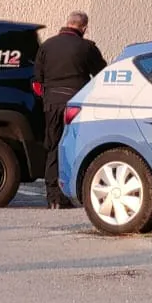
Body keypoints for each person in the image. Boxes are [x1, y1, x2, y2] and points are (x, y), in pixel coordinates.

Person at [36, 11, 107, 208]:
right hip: (76, 105)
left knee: (53, 148)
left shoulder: (47, 46)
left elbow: (36, 83)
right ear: (84, 28)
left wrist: (47, 98)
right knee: (75, 147)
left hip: (51, 104)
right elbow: (102, 75)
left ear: (67, 23)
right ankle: (74, 192)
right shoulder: (87, 47)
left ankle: (53, 197)